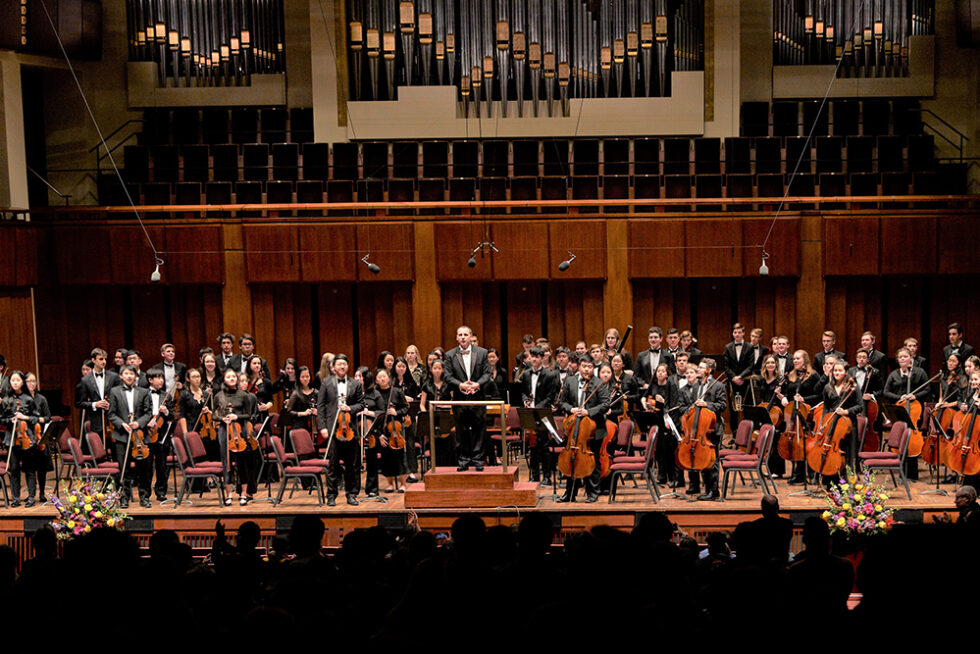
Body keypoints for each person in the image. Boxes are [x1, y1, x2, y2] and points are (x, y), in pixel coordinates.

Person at [556, 356, 610, 503]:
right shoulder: (570, 381)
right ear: (579, 366)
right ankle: (570, 493)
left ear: (594, 368)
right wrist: (571, 409)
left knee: (594, 461)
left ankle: (593, 492)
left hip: (593, 429)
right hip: (573, 426)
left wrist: (588, 412)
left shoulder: (599, 383)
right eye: (584, 366)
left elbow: (606, 404)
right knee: (571, 458)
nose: (587, 369)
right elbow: (562, 402)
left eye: (590, 367)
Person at [317, 354, 364, 506]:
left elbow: (361, 404)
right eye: (339, 364)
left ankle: (351, 494)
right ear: (333, 367)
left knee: (351, 464)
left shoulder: (355, 384)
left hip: (350, 430)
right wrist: (322, 427)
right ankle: (331, 495)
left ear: (347, 366)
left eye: (344, 364)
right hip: (332, 428)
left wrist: (350, 408)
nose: (342, 367)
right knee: (333, 464)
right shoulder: (326, 382)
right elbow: (321, 406)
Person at [443, 325, 491, 471]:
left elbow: (487, 374)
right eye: (460, 335)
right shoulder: (450, 355)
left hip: (478, 398)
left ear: (470, 337)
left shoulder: (482, 353)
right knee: (461, 431)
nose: (463, 337)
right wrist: (461, 385)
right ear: (457, 337)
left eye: (465, 334)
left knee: (479, 430)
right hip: (459, 398)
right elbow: (447, 376)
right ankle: (463, 460)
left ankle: (477, 460)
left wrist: (477, 385)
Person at [677, 358, 727, 501]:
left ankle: (713, 491)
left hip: (713, 428)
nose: (698, 370)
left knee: (712, 462)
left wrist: (707, 404)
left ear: (708, 370)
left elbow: (722, 405)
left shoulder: (717, 386)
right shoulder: (697, 386)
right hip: (699, 428)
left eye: (701, 367)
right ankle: (706, 489)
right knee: (702, 460)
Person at [107, 365, 153, 509]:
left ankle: (144, 497)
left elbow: (148, 413)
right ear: (121, 376)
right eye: (126, 374)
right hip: (121, 436)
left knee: (143, 469)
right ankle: (124, 498)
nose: (129, 376)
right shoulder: (114, 391)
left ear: (136, 376)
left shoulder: (144, 391)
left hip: (140, 436)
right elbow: (111, 414)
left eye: (131, 374)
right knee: (124, 469)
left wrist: (138, 424)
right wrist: (122, 424)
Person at [881, 346, 930, 481]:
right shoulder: (894, 375)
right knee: (901, 435)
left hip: (915, 408)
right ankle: (901, 471)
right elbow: (886, 392)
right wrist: (899, 397)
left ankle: (913, 474)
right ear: (897, 360)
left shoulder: (919, 372)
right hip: (900, 408)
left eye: (905, 357)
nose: (903, 359)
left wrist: (916, 396)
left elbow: (927, 389)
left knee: (912, 438)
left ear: (911, 358)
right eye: (900, 357)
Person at [214, 368, 259, 506]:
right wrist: (223, 419)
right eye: (229, 377)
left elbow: (248, 415)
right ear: (224, 380)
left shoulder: (243, 395)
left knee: (242, 463)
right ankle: (228, 495)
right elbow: (213, 415)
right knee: (226, 462)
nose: (232, 379)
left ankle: (244, 494)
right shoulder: (218, 396)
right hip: (224, 430)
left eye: (234, 376)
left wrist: (236, 416)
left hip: (241, 430)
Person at [521, 345, 560, 485]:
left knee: (544, 445)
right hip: (530, 413)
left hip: (542, 413)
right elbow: (524, 392)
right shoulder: (525, 374)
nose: (534, 360)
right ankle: (535, 475)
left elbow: (550, 396)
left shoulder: (549, 375)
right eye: (532, 357)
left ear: (542, 358)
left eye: (537, 357)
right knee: (533, 446)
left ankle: (547, 477)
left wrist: (537, 407)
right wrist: (526, 401)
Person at [1, 371, 40, 507]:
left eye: (18, 380)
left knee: (29, 469)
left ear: (22, 382)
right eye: (13, 380)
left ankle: (30, 497)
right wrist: (9, 420)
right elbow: (1, 419)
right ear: (10, 383)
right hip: (10, 439)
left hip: (26, 438)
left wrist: (25, 418)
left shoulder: (28, 399)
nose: (15, 383)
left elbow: (35, 419)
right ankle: (16, 498)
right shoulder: (6, 400)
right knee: (14, 469)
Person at [642, 363, 682, 487]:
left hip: (667, 420)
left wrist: (662, 402)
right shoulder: (653, 385)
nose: (660, 373)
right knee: (658, 449)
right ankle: (661, 475)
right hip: (655, 419)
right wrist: (645, 404)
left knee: (668, 449)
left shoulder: (670, 385)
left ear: (667, 373)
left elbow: (672, 403)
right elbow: (644, 397)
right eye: (658, 371)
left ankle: (672, 476)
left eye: (662, 371)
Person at [820, 361, 862, 474]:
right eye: (835, 370)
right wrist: (823, 423)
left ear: (846, 372)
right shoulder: (828, 387)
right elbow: (826, 407)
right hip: (832, 423)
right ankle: (831, 478)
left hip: (848, 424)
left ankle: (847, 482)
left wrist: (846, 411)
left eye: (840, 370)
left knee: (848, 453)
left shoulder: (852, 387)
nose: (837, 373)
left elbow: (860, 406)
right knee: (831, 451)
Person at [75, 347, 121, 442]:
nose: (104, 362)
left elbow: (120, 397)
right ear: (93, 360)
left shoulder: (114, 377)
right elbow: (79, 403)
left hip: (113, 420)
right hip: (96, 421)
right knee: (99, 452)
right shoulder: (85, 380)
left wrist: (111, 404)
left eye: (105, 359)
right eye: (101, 359)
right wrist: (95, 404)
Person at [145, 368, 176, 502]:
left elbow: (173, 415)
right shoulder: (143, 394)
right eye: (158, 378)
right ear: (150, 380)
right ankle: (145, 493)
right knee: (146, 465)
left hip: (162, 434)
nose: (162, 380)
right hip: (146, 434)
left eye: (162, 378)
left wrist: (167, 412)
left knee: (162, 465)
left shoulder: (166, 396)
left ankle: (161, 492)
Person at [749, 494, 793, 564]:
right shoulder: (788, 524)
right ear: (778, 507)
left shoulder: (755, 525)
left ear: (762, 509)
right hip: (782, 562)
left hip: (762, 563)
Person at [283, 366, 318, 437]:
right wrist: (303, 413)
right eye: (302, 377)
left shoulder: (316, 392)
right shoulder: (295, 394)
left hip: (315, 425)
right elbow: (289, 412)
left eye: (307, 376)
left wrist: (317, 411)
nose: (305, 379)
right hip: (299, 425)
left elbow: (324, 408)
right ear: (299, 378)